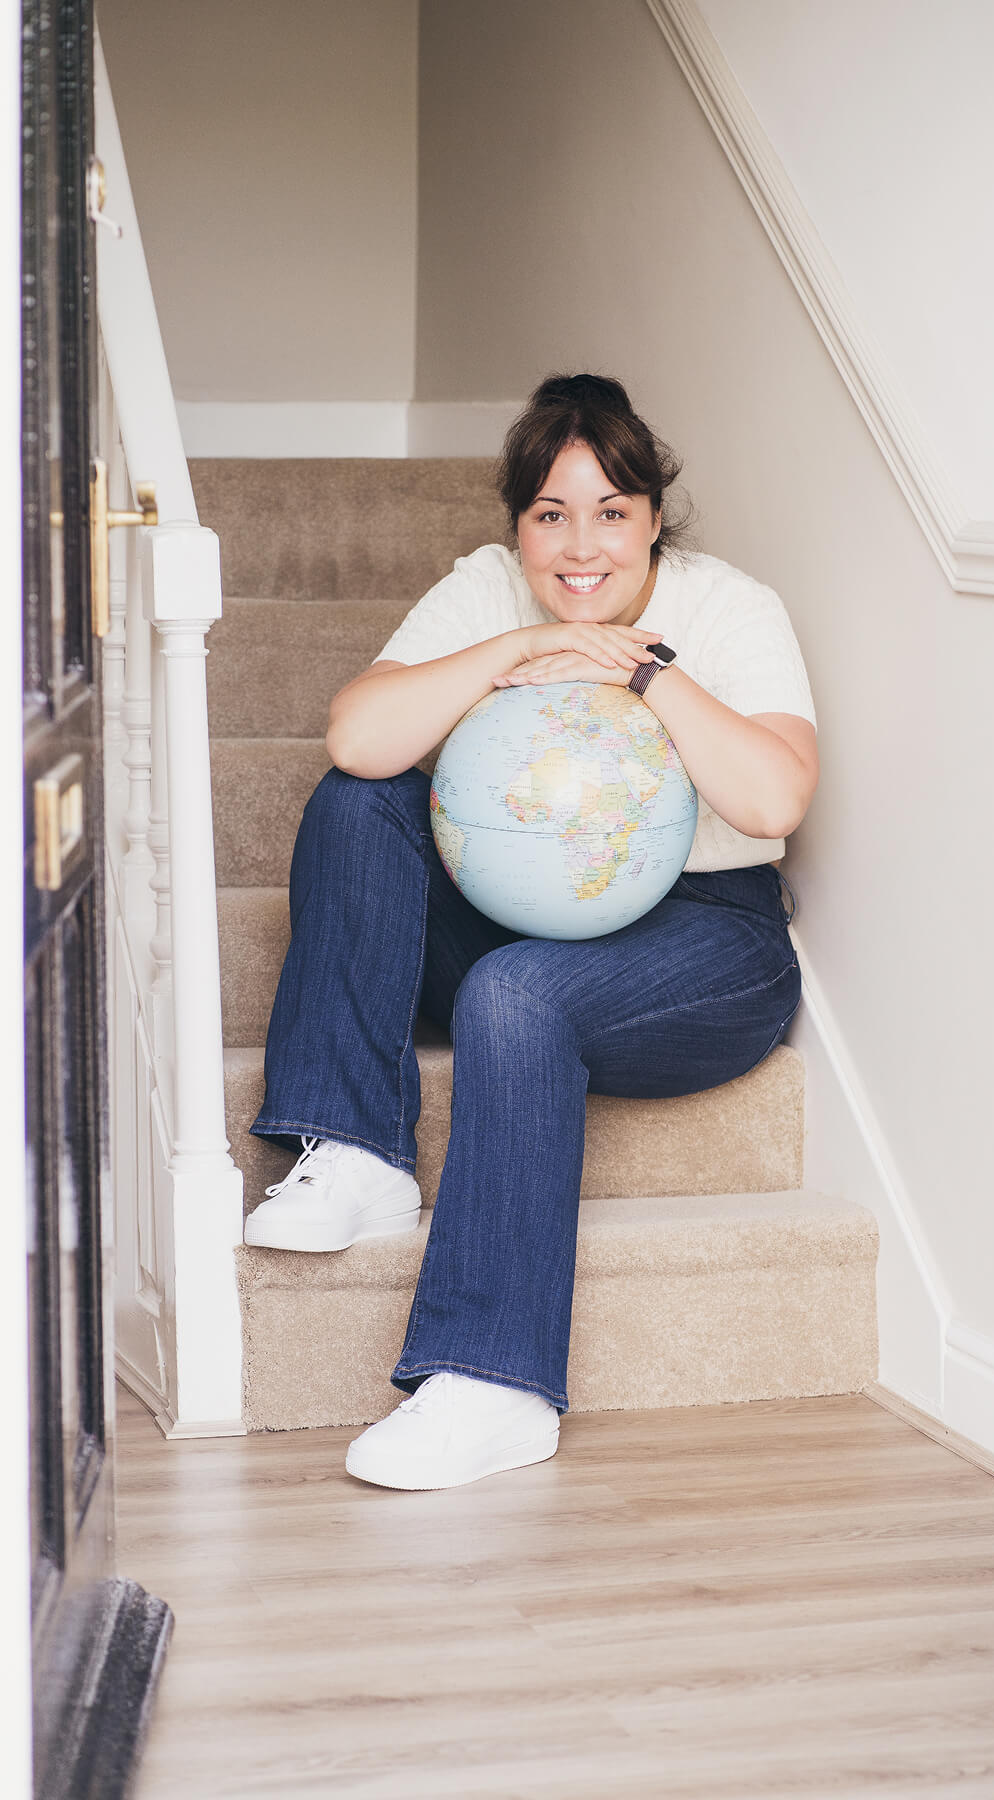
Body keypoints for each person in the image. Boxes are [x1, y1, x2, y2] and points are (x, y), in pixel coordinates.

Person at [243, 373, 820, 1492]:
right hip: (516, 910)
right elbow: (358, 735)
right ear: (518, 527)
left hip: (706, 944)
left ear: (653, 518)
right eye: (551, 515)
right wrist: (518, 651)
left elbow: (774, 800)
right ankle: (357, 1150)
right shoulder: (488, 589)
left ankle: (494, 1384)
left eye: (611, 512)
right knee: (359, 801)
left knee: (515, 993)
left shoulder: (729, 607)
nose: (581, 547)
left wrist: (640, 669)